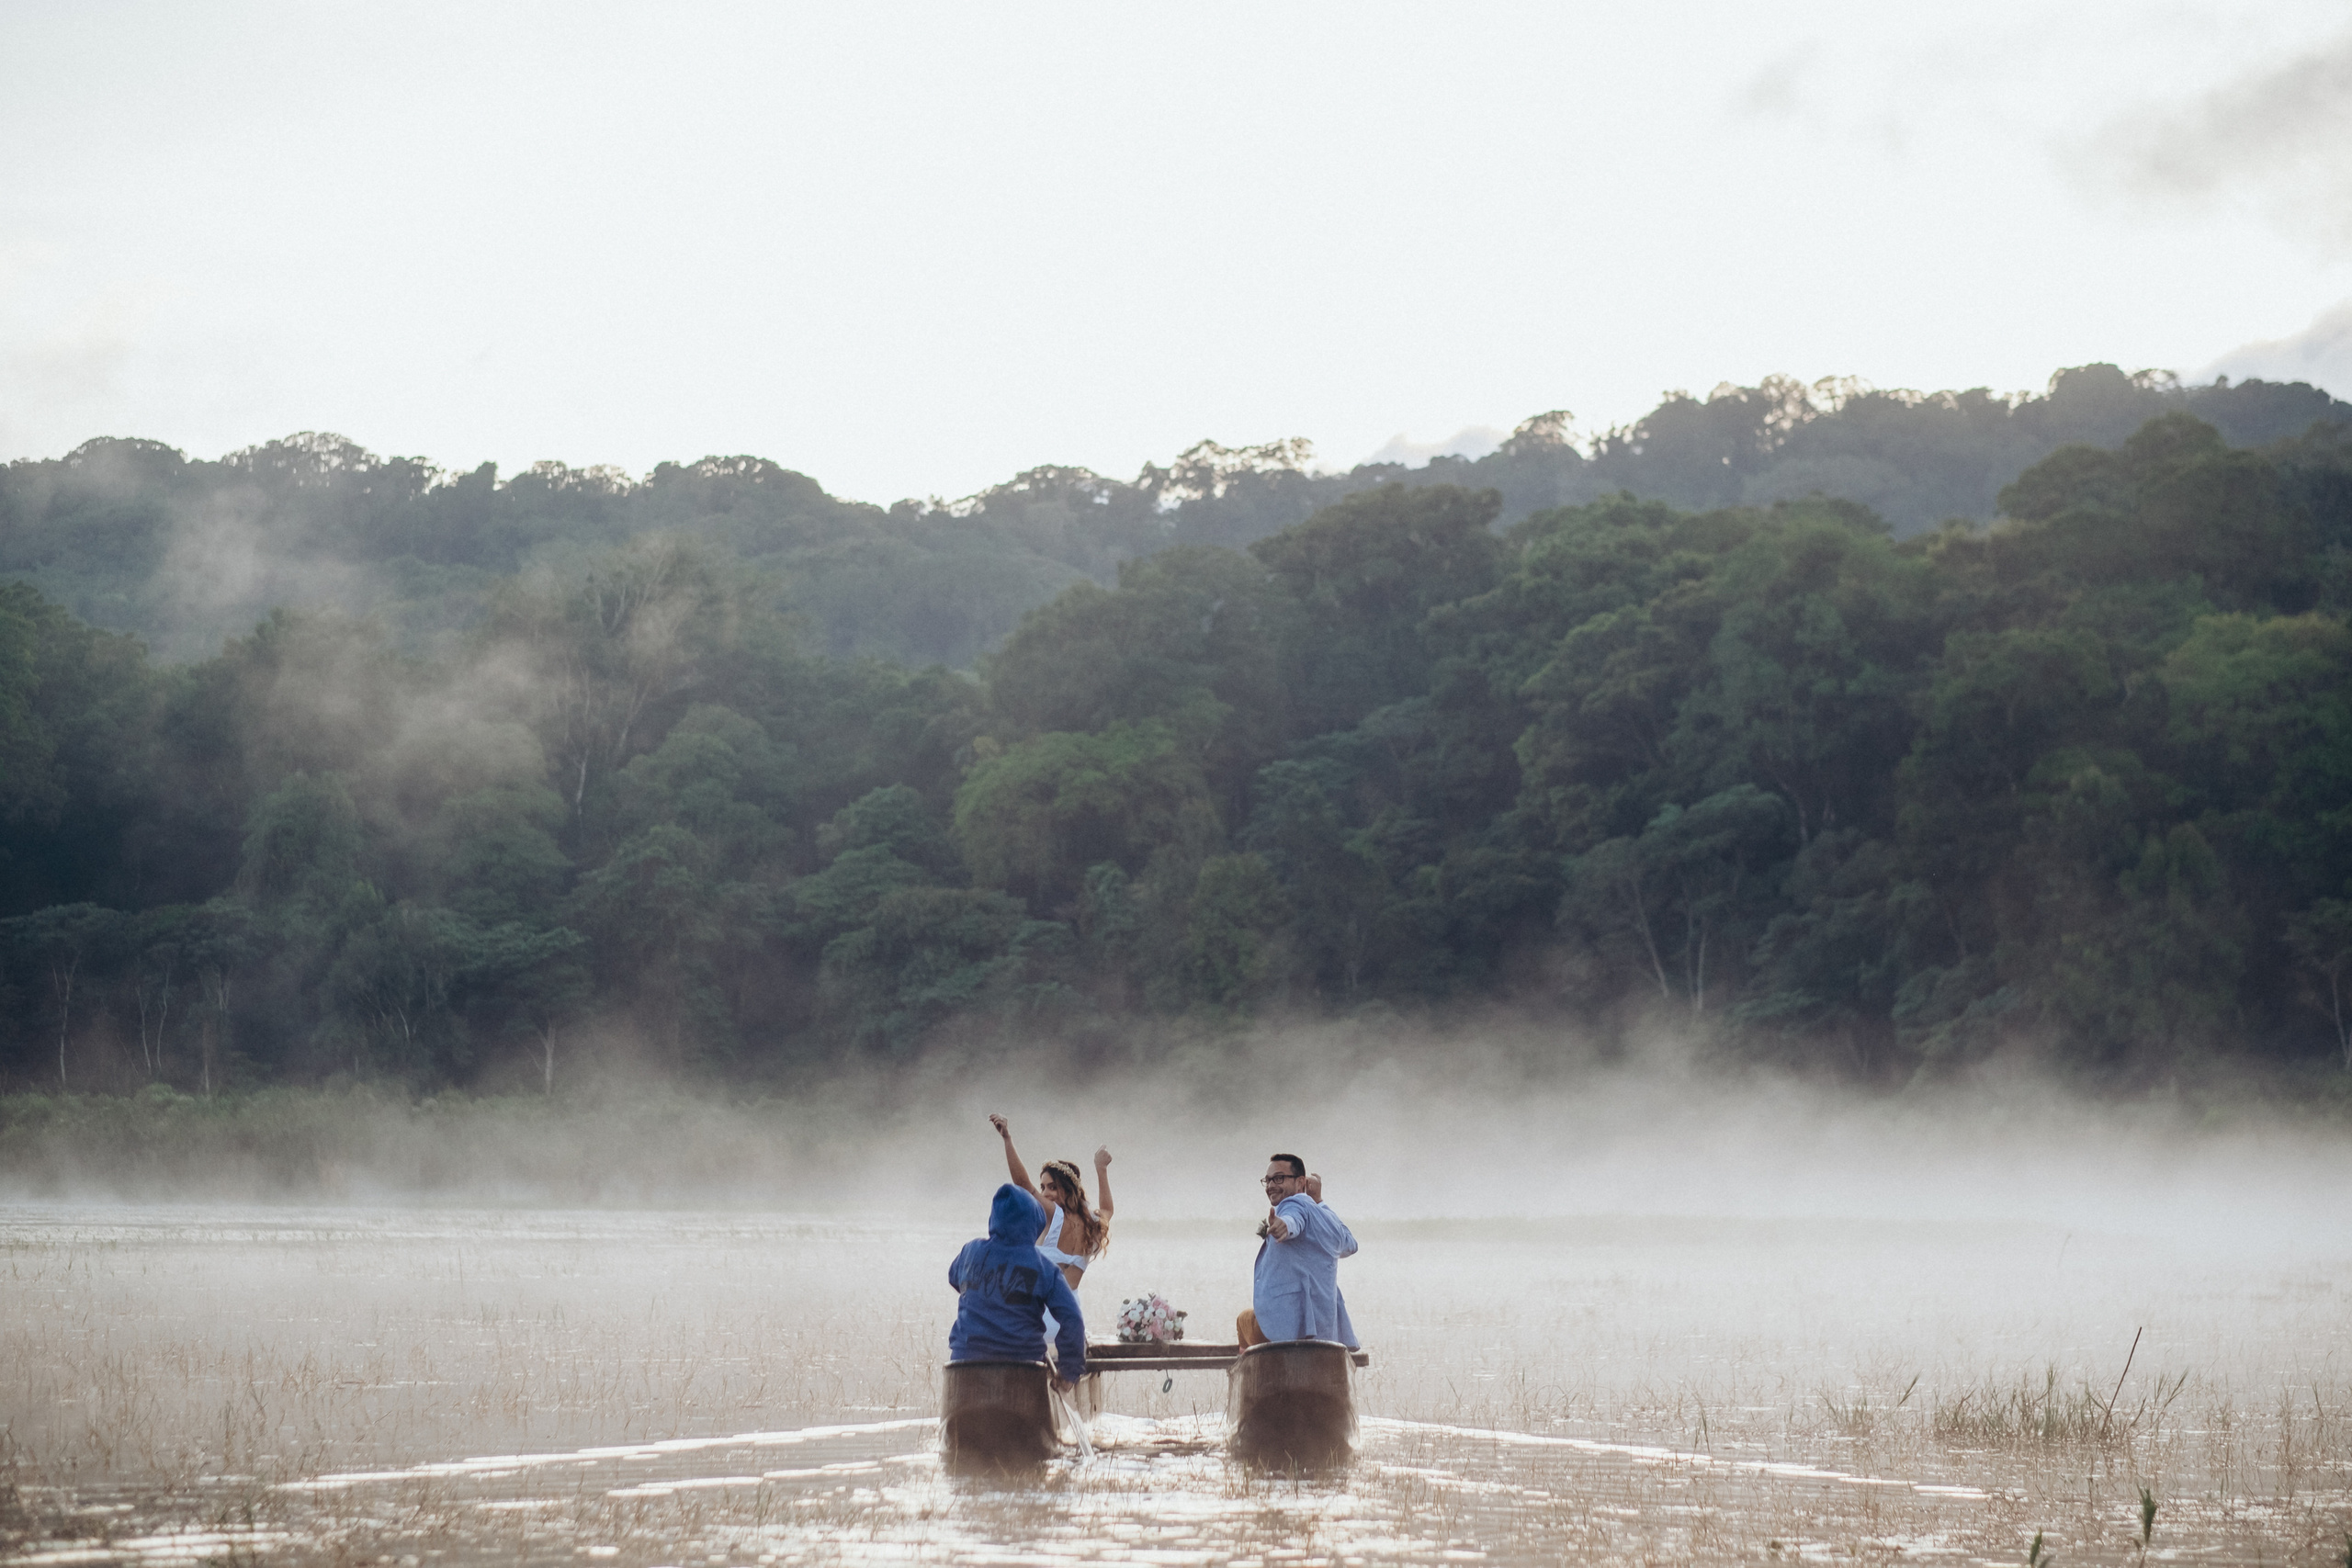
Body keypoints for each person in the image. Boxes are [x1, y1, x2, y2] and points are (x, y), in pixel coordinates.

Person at [949, 1182, 1087, 1384]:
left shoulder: (970, 1251)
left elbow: (954, 1278)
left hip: (963, 1363)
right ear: (1035, 1223)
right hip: (1023, 1367)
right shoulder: (1044, 1268)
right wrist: (1069, 1372)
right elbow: (1072, 1317)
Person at [1237, 1153, 1359, 1349]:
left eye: (1278, 1178)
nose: (1270, 1186)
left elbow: (1294, 1220)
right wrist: (1318, 1199)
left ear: (1300, 1182)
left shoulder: (1293, 1205)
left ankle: (1249, 1371)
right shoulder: (1324, 1216)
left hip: (1286, 1327)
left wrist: (1283, 1225)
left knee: (1243, 1320)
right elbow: (1350, 1244)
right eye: (1267, 1180)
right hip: (1326, 1329)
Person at [988, 1113, 1114, 1289]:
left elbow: (1023, 1184)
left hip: (1041, 1308)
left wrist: (1007, 1138)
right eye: (1043, 1187)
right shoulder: (1093, 1223)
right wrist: (1101, 1169)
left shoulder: (1055, 1215)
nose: (1046, 1193)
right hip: (1069, 1310)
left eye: (1053, 1187)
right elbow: (1107, 1209)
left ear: (1069, 1189)